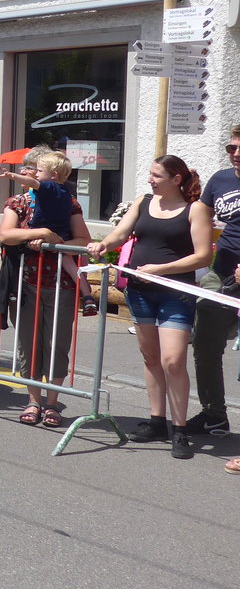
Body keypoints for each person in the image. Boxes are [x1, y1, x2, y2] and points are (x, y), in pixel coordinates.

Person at [87, 155, 213, 459]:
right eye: (150, 173)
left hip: (175, 293)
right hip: (141, 290)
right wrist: (103, 245)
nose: (150, 179)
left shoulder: (195, 209)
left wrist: (161, 269)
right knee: (150, 357)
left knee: (173, 360)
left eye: (156, 175)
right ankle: (157, 420)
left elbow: (202, 257)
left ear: (176, 179)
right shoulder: (143, 201)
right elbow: (120, 233)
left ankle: (179, 429)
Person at [0, 147, 92, 430]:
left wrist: (56, 242)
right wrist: (40, 233)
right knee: (28, 343)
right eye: (31, 169)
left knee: (56, 344)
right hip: (25, 282)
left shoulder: (70, 203)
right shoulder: (18, 202)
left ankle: (51, 403)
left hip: (59, 285)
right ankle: (33, 400)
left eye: (35, 169)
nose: (31, 173)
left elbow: (82, 240)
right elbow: (6, 235)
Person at [190, 124, 240, 446]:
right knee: (205, 345)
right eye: (231, 148)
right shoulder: (220, 180)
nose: (235, 154)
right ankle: (214, 416)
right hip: (221, 273)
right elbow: (201, 214)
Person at [0, 151, 97, 315]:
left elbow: (33, 183)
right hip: (61, 235)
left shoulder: (50, 187)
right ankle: (87, 296)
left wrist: (13, 176)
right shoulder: (66, 191)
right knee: (72, 267)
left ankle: (87, 296)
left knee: (70, 265)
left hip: (48, 235)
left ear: (54, 175)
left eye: (39, 171)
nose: (36, 175)